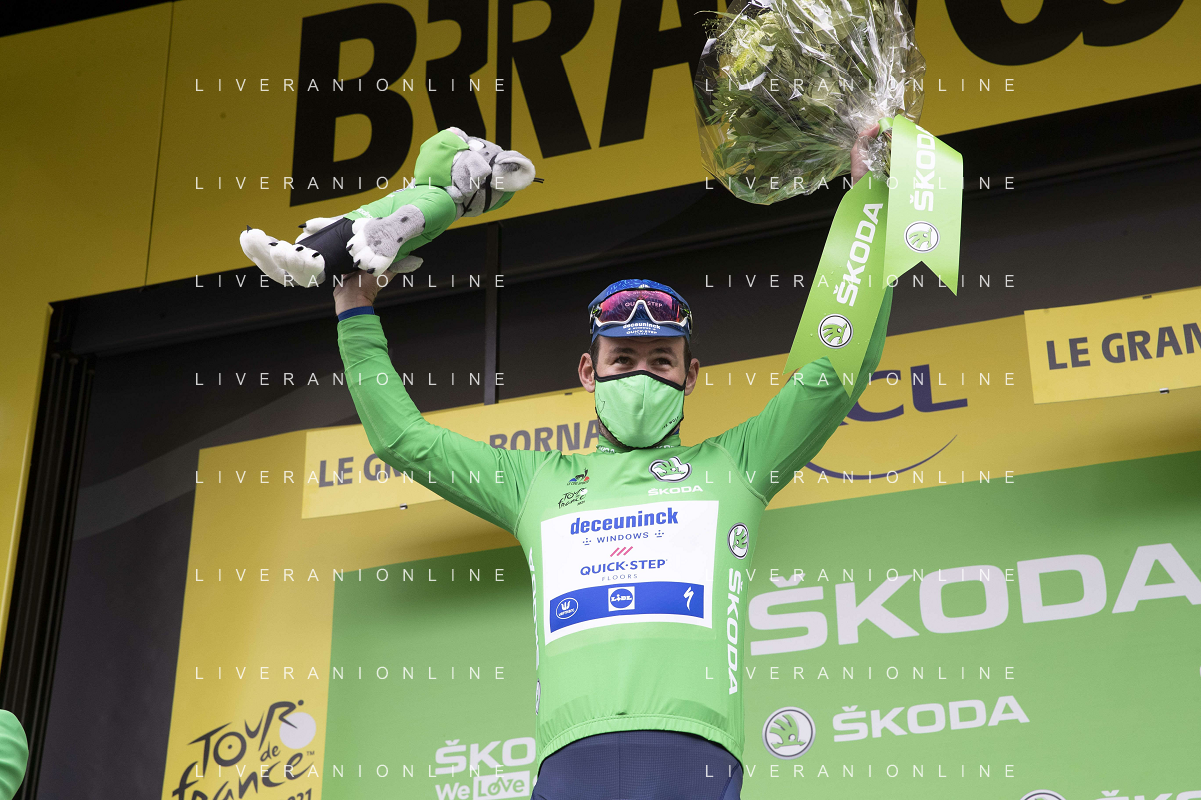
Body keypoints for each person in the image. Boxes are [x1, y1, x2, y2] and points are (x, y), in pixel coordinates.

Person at [333, 130, 888, 800]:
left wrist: (870, 206)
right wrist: (354, 310)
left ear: (689, 376)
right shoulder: (535, 482)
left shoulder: (737, 465)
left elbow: (833, 374)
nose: (641, 375)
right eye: (622, 360)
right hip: (570, 760)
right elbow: (403, 440)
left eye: (660, 361)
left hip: (693, 751)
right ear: (588, 372)